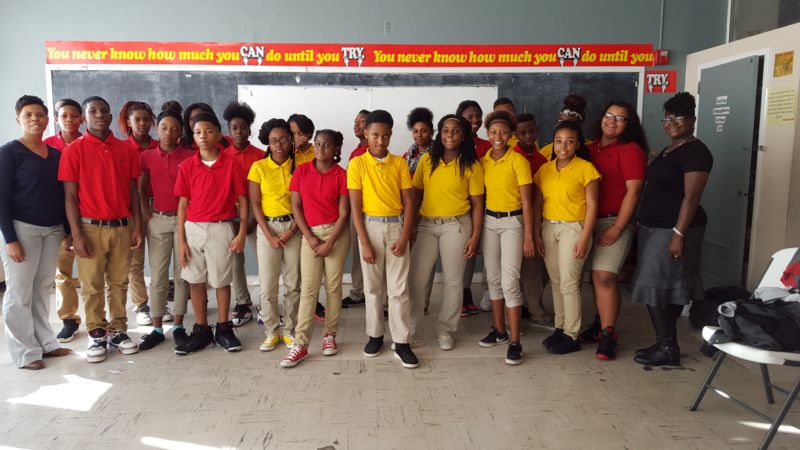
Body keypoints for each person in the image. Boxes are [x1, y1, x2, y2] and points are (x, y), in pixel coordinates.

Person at [59, 96, 143, 363]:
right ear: (84, 118)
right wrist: (77, 234)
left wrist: (137, 226)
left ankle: (118, 329)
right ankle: (96, 332)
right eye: (92, 111)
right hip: (90, 228)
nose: (99, 115)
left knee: (119, 282)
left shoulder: (125, 149)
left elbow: (133, 191)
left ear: (110, 116)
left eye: (103, 111)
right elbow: (70, 197)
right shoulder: (74, 150)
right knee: (92, 284)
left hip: (121, 226)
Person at [632, 92, 712, 366]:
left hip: (674, 229)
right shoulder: (670, 150)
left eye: (679, 117)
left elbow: (692, 197)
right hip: (654, 227)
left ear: (692, 120)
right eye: (667, 118)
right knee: (664, 286)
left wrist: (678, 234)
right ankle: (665, 343)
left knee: (656, 284)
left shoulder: (696, 151)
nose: (672, 123)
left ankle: (667, 346)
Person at [0, 95, 73, 369]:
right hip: (22, 229)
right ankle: (25, 353)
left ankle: (46, 343)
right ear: (18, 118)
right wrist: (10, 239)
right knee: (20, 292)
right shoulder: (9, 152)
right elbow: (2, 198)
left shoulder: (55, 155)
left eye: (39, 115)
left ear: (47, 119)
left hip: (52, 230)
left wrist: (68, 231)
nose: (35, 119)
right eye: (28, 115)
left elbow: (61, 196)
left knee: (42, 288)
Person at [348, 109, 419, 369]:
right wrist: (365, 242)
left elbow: (409, 203)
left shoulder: (399, 163)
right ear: (366, 134)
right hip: (370, 228)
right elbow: (355, 207)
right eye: (375, 135)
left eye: (386, 136)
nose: (380, 140)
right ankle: (375, 336)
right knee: (372, 287)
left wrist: (405, 235)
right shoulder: (357, 164)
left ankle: (401, 341)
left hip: (396, 227)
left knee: (399, 288)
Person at [578, 101, 648, 360]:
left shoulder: (630, 150)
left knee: (605, 276)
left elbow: (634, 191)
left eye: (620, 118)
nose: (612, 121)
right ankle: (599, 324)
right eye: (609, 115)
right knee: (593, 277)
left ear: (629, 125)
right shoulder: (590, 148)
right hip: (587, 222)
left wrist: (618, 227)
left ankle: (609, 334)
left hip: (614, 221)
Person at [408, 115, 484, 351]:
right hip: (426, 225)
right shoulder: (426, 160)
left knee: (453, 281)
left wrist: (475, 236)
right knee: (416, 279)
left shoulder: (471, 165)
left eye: (455, 130)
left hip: (456, 225)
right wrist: (410, 227)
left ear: (463, 136)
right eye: (445, 130)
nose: (450, 134)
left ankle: (445, 330)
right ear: (439, 134)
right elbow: (415, 195)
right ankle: (412, 330)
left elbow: (478, 204)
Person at [174, 111, 247, 354]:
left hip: (221, 227)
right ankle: (202, 329)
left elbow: (242, 200)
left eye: (208, 131)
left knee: (221, 280)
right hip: (193, 228)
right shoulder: (187, 166)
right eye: (197, 132)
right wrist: (181, 240)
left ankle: (224, 328)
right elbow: (182, 204)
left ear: (218, 134)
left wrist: (241, 232)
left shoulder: (232, 164)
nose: (202, 136)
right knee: (195, 280)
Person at [281, 130, 351, 367]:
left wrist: (329, 243)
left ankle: (330, 335)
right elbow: (296, 206)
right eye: (317, 144)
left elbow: (344, 213)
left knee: (333, 287)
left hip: (336, 235)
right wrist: (310, 238)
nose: (320, 148)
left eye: (327, 145)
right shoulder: (301, 171)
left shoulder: (342, 175)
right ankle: (300, 344)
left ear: (337, 149)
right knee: (308, 289)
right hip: (309, 234)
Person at [534, 121, 601, 355]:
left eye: (569, 141)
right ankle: (560, 327)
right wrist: (537, 234)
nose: (563, 146)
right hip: (549, 228)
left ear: (578, 144)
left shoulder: (586, 169)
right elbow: (538, 204)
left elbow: (593, 206)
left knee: (569, 283)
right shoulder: (545, 170)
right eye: (559, 141)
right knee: (555, 282)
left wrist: (584, 237)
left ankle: (572, 334)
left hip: (574, 229)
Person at [477, 110, 535, 365]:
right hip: (490, 222)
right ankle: (499, 331)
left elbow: (527, 202)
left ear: (511, 135)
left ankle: (515, 342)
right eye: (493, 132)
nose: (498, 136)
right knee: (493, 279)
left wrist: (529, 236)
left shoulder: (518, 161)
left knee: (510, 281)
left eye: (503, 132)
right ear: (487, 134)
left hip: (513, 222)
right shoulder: (484, 162)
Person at [137, 101, 195, 351]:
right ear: (157, 129)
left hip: (184, 221)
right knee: (158, 276)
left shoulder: (190, 156)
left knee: (183, 275)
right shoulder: (147, 156)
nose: (168, 133)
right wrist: (147, 215)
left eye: (174, 129)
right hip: (158, 220)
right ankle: (157, 327)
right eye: (163, 128)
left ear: (181, 132)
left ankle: (179, 325)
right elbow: (140, 189)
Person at [249, 118, 302, 351]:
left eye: (283, 140)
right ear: (267, 144)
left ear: (291, 141)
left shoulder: (300, 167)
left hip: (294, 228)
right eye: (273, 141)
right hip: (267, 229)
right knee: (268, 285)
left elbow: (304, 204)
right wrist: (269, 235)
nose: (279, 145)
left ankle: (289, 330)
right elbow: (255, 204)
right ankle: (271, 331)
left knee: (293, 283)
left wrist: (292, 230)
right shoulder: (259, 167)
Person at [45, 98, 84, 343]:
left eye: (74, 115)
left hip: (89, 215)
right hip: (58, 217)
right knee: (63, 272)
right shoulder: (47, 146)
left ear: (82, 118)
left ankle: (99, 319)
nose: (69, 120)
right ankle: (69, 319)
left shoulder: (89, 143)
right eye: (64, 116)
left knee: (94, 273)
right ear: (56, 119)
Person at [221, 101, 264, 327]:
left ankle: (265, 303)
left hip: (257, 212)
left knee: (264, 259)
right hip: (232, 214)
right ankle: (243, 303)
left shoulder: (261, 155)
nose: (239, 132)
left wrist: (254, 218)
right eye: (234, 128)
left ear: (249, 129)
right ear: (229, 130)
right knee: (235, 261)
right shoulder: (223, 156)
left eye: (243, 127)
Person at [119, 101, 158, 327]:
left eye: (146, 119)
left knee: (159, 260)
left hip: (160, 208)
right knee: (136, 260)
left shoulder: (160, 146)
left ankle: (160, 303)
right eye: (137, 120)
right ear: (129, 123)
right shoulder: (123, 148)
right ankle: (141, 305)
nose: (142, 123)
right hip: (133, 208)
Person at [512, 113, 552, 326]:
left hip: (540, 218)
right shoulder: (513, 157)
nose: (528, 135)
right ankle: (536, 312)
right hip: (517, 218)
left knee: (540, 268)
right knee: (531, 269)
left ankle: (528, 306)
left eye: (531, 131)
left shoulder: (541, 160)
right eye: (523, 132)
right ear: (515, 134)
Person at [456, 99, 490, 315]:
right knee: (464, 252)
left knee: (483, 250)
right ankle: (462, 293)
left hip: (486, 205)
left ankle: (484, 292)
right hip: (462, 207)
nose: (475, 120)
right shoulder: (453, 144)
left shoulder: (487, 146)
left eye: (478, 116)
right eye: (470, 117)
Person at [342, 109, 370, 309]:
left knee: (375, 252)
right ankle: (358, 291)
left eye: (362, 121)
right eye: (355, 121)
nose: (356, 125)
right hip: (356, 210)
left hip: (374, 211)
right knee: (358, 252)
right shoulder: (354, 153)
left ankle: (376, 294)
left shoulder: (374, 150)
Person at [539, 94, 589, 161]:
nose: (564, 126)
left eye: (570, 123)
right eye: (561, 121)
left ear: (579, 125)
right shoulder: (545, 152)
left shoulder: (590, 149)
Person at [403, 107, 434, 177]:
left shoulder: (438, 155)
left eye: (424, 131)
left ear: (431, 132)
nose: (419, 135)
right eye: (415, 131)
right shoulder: (406, 156)